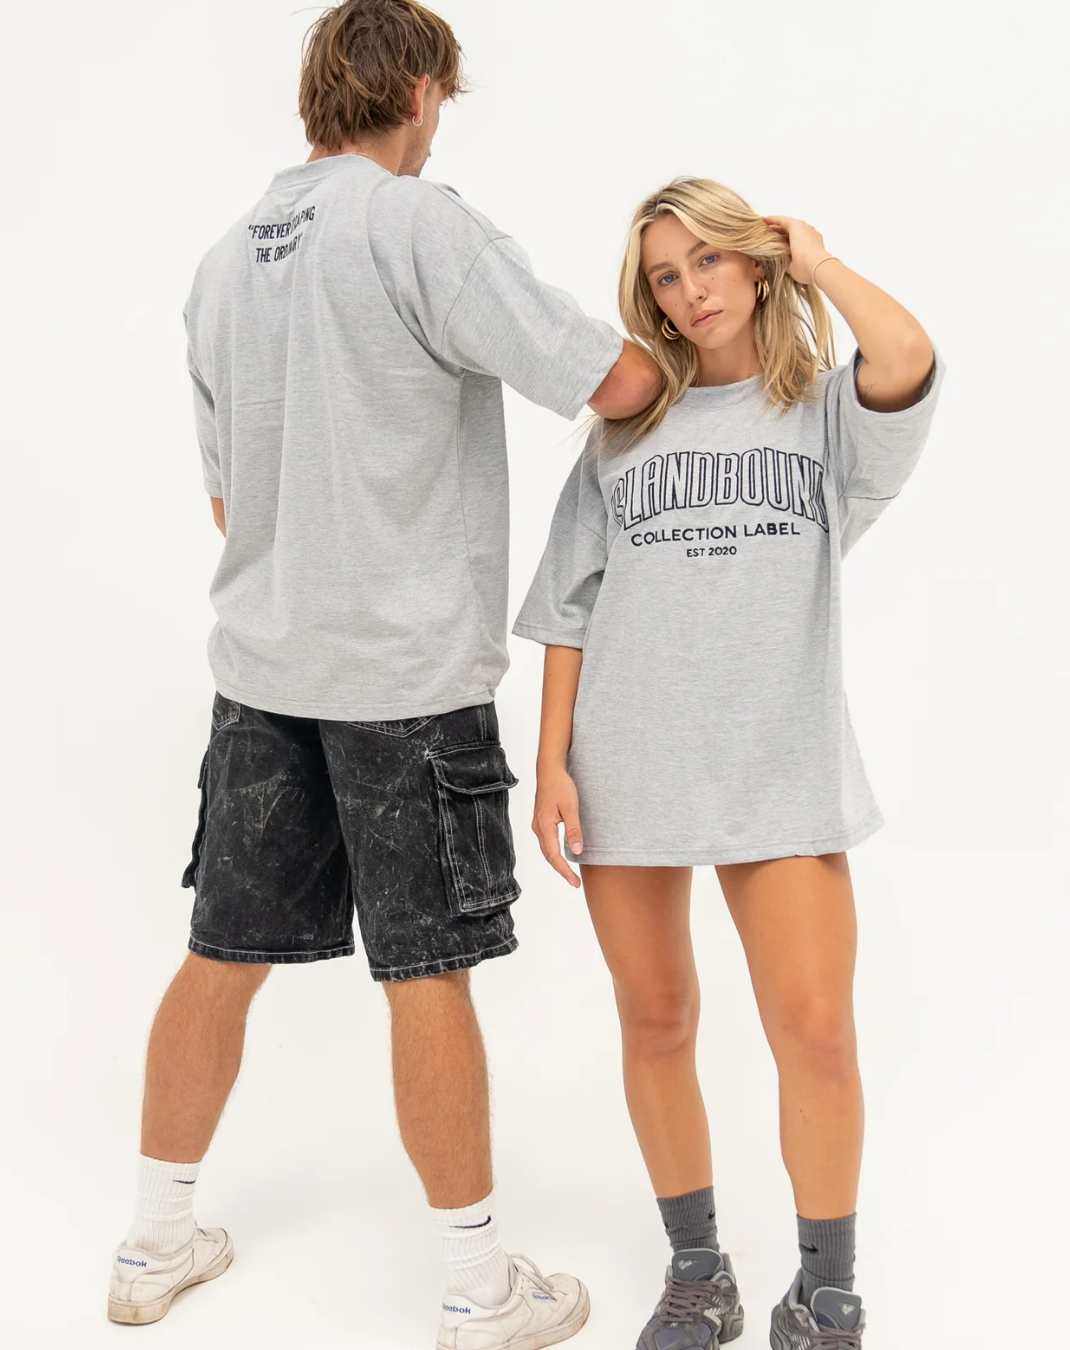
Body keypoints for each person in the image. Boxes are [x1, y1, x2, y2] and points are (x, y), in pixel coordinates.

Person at [105, 3, 659, 1345]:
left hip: (265, 672)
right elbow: (612, 380)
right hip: (404, 682)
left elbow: (230, 506)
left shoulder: (223, 263)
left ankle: (153, 1244)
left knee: (218, 956)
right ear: (417, 92)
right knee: (427, 974)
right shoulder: (419, 226)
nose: (437, 124)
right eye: (441, 101)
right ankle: (479, 1289)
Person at [513, 176, 941, 1349]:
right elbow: (566, 610)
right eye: (665, 274)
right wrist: (551, 766)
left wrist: (821, 260)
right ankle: (699, 1275)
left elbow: (908, 354)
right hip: (628, 765)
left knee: (817, 1031)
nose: (689, 289)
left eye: (708, 259)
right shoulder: (622, 433)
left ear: (756, 265)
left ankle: (826, 1294)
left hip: (778, 766)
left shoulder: (827, 418)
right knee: (656, 1020)